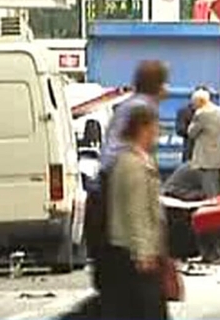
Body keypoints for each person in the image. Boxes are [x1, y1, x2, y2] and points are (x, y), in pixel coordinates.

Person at [73, 61, 168, 320]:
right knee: (123, 301)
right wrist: (143, 250)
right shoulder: (142, 109)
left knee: (119, 300)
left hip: (108, 184)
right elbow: (137, 208)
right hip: (115, 185)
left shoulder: (130, 104)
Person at [101, 104, 168, 320]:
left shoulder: (134, 160)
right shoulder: (132, 164)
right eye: (155, 128)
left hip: (132, 251)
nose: (157, 134)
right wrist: (143, 252)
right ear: (143, 128)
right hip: (133, 253)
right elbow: (136, 211)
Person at [187, 88, 220, 198]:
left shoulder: (201, 114)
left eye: (194, 102)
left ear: (200, 101)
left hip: (206, 159)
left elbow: (191, 133)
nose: (193, 105)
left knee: (209, 191)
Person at [175, 85, 209, 163]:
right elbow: (180, 130)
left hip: (208, 154)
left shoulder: (212, 113)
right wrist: (195, 130)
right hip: (190, 151)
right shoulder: (184, 111)